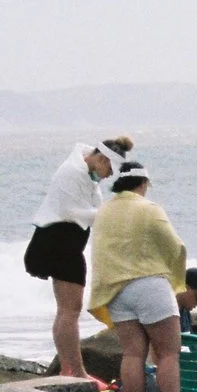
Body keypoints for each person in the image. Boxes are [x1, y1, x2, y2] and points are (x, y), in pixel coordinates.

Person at [85, 160, 197, 392]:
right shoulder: (149, 209)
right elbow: (175, 247)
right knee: (168, 352)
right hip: (149, 286)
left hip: (115, 290)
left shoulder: (103, 212)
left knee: (132, 353)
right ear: (142, 183)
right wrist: (174, 281)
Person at [23, 136, 134, 378]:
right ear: (102, 158)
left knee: (68, 309)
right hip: (57, 240)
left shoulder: (86, 171)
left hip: (67, 242)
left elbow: (95, 207)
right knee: (70, 310)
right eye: (109, 169)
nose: (108, 176)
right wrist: (113, 214)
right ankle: (75, 371)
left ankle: (69, 368)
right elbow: (71, 212)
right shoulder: (72, 172)